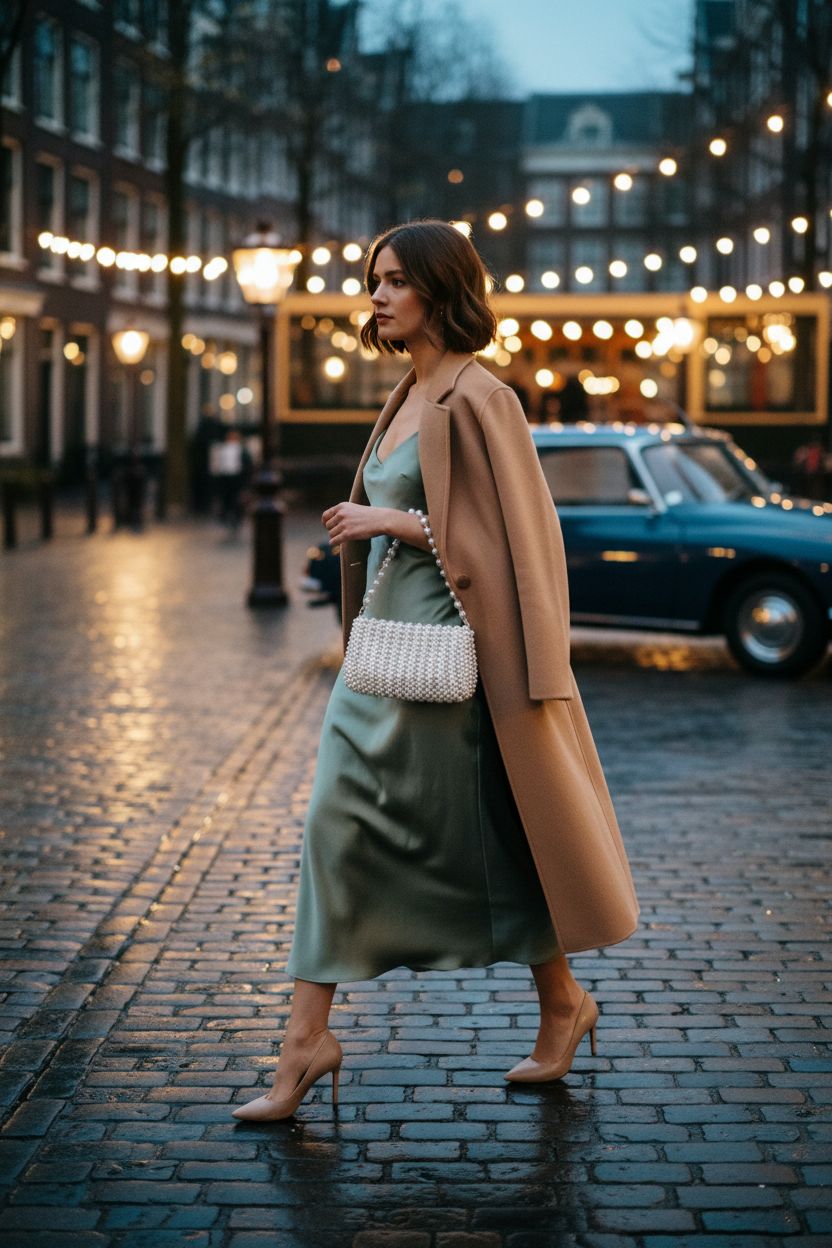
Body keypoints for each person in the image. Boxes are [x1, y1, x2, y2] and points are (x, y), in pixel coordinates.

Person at [231, 220, 640, 1123]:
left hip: (456, 656)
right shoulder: (407, 392)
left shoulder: (480, 396)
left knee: (487, 825)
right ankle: (308, 1040)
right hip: (385, 643)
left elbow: (519, 540)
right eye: (373, 279)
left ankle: (562, 1002)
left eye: (394, 281)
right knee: (343, 823)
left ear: (440, 291)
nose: (375, 295)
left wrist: (391, 524)